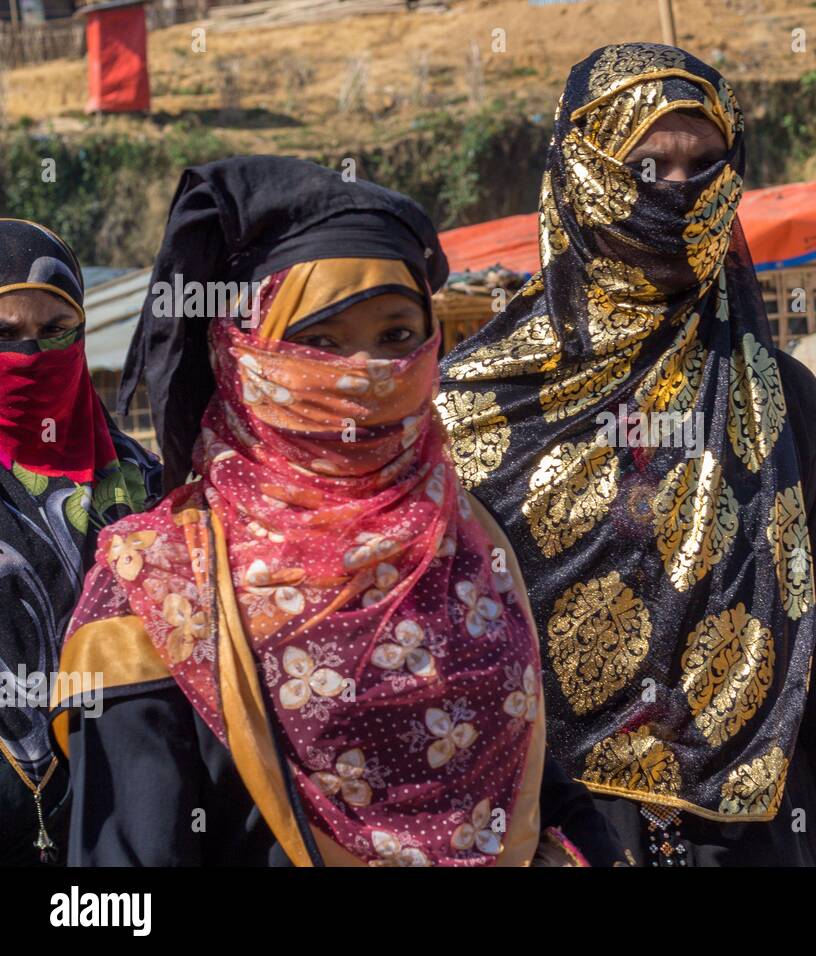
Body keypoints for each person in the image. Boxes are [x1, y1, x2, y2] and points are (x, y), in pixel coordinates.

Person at [438, 43, 816, 866]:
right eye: (644, 167)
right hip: (554, 837)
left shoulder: (777, 398)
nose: (676, 194)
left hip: (757, 838)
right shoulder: (468, 408)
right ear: (578, 174)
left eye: (705, 167)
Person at [51, 157, 621, 866]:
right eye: (319, 343)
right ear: (244, 354)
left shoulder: (465, 536)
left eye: (396, 337)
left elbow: (533, 779)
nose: (364, 373)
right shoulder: (162, 584)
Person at [0, 219, 161, 866]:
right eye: (5, 335)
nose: (33, 353)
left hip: (124, 805)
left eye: (55, 330)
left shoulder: (149, 487)